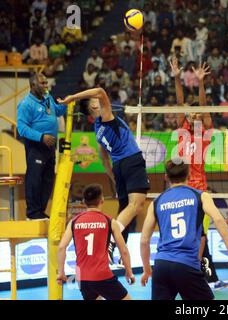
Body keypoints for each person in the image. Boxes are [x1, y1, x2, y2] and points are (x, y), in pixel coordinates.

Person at [57, 87, 150, 263]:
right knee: (136, 206)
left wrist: (114, 177)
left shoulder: (97, 128)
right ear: (93, 107)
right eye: (94, 100)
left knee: (125, 210)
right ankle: (109, 239)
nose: (97, 100)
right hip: (131, 160)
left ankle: (119, 251)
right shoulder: (105, 118)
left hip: (119, 167)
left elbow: (103, 158)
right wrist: (73, 97)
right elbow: (100, 90)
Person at [139, 159, 228, 300]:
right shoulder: (200, 196)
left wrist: (147, 269)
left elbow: (144, 240)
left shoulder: (156, 202)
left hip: (162, 265)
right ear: (189, 175)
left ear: (165, 177)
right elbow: (219, 219)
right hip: (186, 265)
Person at [170, 57, 228, 290]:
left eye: (198, 114)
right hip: (181, 189)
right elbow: (180, 104)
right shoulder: (183, 128)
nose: (195, 115)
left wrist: (201, 83)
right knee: (189, 234)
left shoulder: (205, 132)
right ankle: (200, 274)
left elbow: (204, 109)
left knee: (201, 233)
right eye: (191, 114)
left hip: (200, 190)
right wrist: (177, 79)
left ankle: (206, 275)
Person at [57, 184, 135, 300]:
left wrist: (61, 273)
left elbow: (61, 247)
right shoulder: (109, 221)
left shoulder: (74, 222)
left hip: (82, 278)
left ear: (84, 201)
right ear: (102, 200)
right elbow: (123, 250)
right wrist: (129, 272)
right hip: (103, 276)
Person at [17, 73, 67, 220]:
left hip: (50, 146)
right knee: (35, 178)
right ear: (32, 86)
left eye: (46, 83)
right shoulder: (26, 104)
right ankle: (32, 213)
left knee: (48, 179)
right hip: (36, 146)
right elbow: (22, 129)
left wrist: (65, 103)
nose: (46, 86)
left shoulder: (48, 98)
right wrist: (41, 137)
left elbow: (57, 111)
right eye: (42, 83)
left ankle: (40, 211)